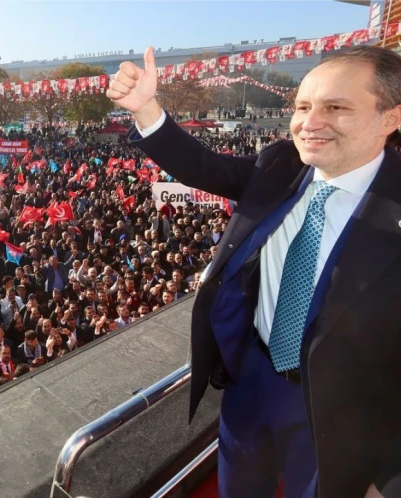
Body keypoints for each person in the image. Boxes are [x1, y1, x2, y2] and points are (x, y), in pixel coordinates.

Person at [107, 44, 401, 497]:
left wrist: (390, 478)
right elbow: (204, 167)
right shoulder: (280, 163)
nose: (310, 122)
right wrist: (146, 108)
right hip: (249, 375)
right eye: (302, 106)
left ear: (390, 118)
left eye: (336, 107)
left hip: (342, 411)